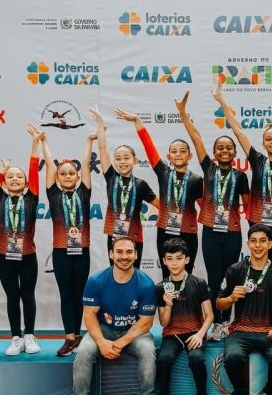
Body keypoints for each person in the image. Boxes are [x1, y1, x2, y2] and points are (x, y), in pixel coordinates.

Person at [176, 91, 250, 340]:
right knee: (214, 277)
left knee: (231, 278)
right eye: (220, 148)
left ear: (235, 152)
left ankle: (226, 322)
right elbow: (195, 137)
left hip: (232, 234)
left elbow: (248, 207)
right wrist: (183, 114)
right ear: (215, 153)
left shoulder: (241, 177)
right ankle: (214, 321)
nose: (225, 150)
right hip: (210, 233)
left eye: (229, 147)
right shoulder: (208, 168)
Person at [212, 82, 272, 266]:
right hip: (257, 223)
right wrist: (221, 100)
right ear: (264, 144)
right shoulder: (258, 160)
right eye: (268, 139)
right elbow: (238, 130)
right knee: (257, 264)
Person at [115, 107, 204, 278]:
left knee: (187, 274)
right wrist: (138, 121)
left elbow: (206, 208)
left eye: (183, 151)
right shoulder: (163, 172)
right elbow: (149, 146)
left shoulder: (197, 180)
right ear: (168, 156)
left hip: (188, 232)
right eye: (174, 151)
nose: (178, 154)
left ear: (190, 156)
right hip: (165, 231)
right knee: (166, 274)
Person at [0, 125, 44, 356]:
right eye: (10, 176)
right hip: (5, 257)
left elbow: (34, 168)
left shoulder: (32, 197)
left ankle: (30, 335)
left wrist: (35, 143)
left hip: (28, 256)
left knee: (28, 296)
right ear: (4, 182)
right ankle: (16, 337)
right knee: (12, 297)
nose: (15, 178)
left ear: (26, 183)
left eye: (19, 176)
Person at [37, 124, 96, 356]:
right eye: (63, 173)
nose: (68, 176)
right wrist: (44, 142)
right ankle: (69, 337)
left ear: (78, 176)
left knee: (80, 295)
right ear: (57, 177)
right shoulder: (53, 193)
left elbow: (87, 163)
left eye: (72, 173)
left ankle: (79, 336)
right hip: (61, 252)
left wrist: (89, 141)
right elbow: (49, 163)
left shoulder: (84, 192)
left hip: (82, 251)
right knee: (66, 295)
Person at [72, 237, 157, 395]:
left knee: (147, 351)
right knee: (83, 351)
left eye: (129, 252)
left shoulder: (146, 284)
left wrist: (120, 343)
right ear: (111, 254)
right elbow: (89, 315)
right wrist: (101, 341)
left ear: (136, 255)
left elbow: (146, 322)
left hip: (134, 332)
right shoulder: (95, 281)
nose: (124, 256)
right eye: (119, 252)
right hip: (104, 330)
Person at [217, 224, 272, 395]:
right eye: (253, 241)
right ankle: (241, 391)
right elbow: (219, 304)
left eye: (262, 241)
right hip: (240, 330)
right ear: (248, 243)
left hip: (269, 331)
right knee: (233, 357)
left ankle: (269, 391)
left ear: (270, 244)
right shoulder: (235, 270)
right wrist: (231, 298)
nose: (258, 245)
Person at [90, 107, 159, 268]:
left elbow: (161, 205)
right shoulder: (111, 177)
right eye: (118, 158)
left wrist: (161, 220)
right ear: (114, 162)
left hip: (134, 236)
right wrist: (100, 125)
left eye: (126, 158)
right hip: (114, 237)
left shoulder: (141, 184)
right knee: (115, 272)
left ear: (135, 160)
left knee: (133, 273)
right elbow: (102, 149)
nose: (122, 162)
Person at [155, 238, 214, 395]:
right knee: (163, 360)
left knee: (196, 359)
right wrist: (168, 305)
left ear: (186, 260)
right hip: (172, 334)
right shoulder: (160, 288)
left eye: (179, 258)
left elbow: (209, 315)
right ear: (164, 261)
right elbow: (164, 323)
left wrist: (200, 334)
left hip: (194, 332)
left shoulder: (199, 283)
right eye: (169, 259)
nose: (174, 263)